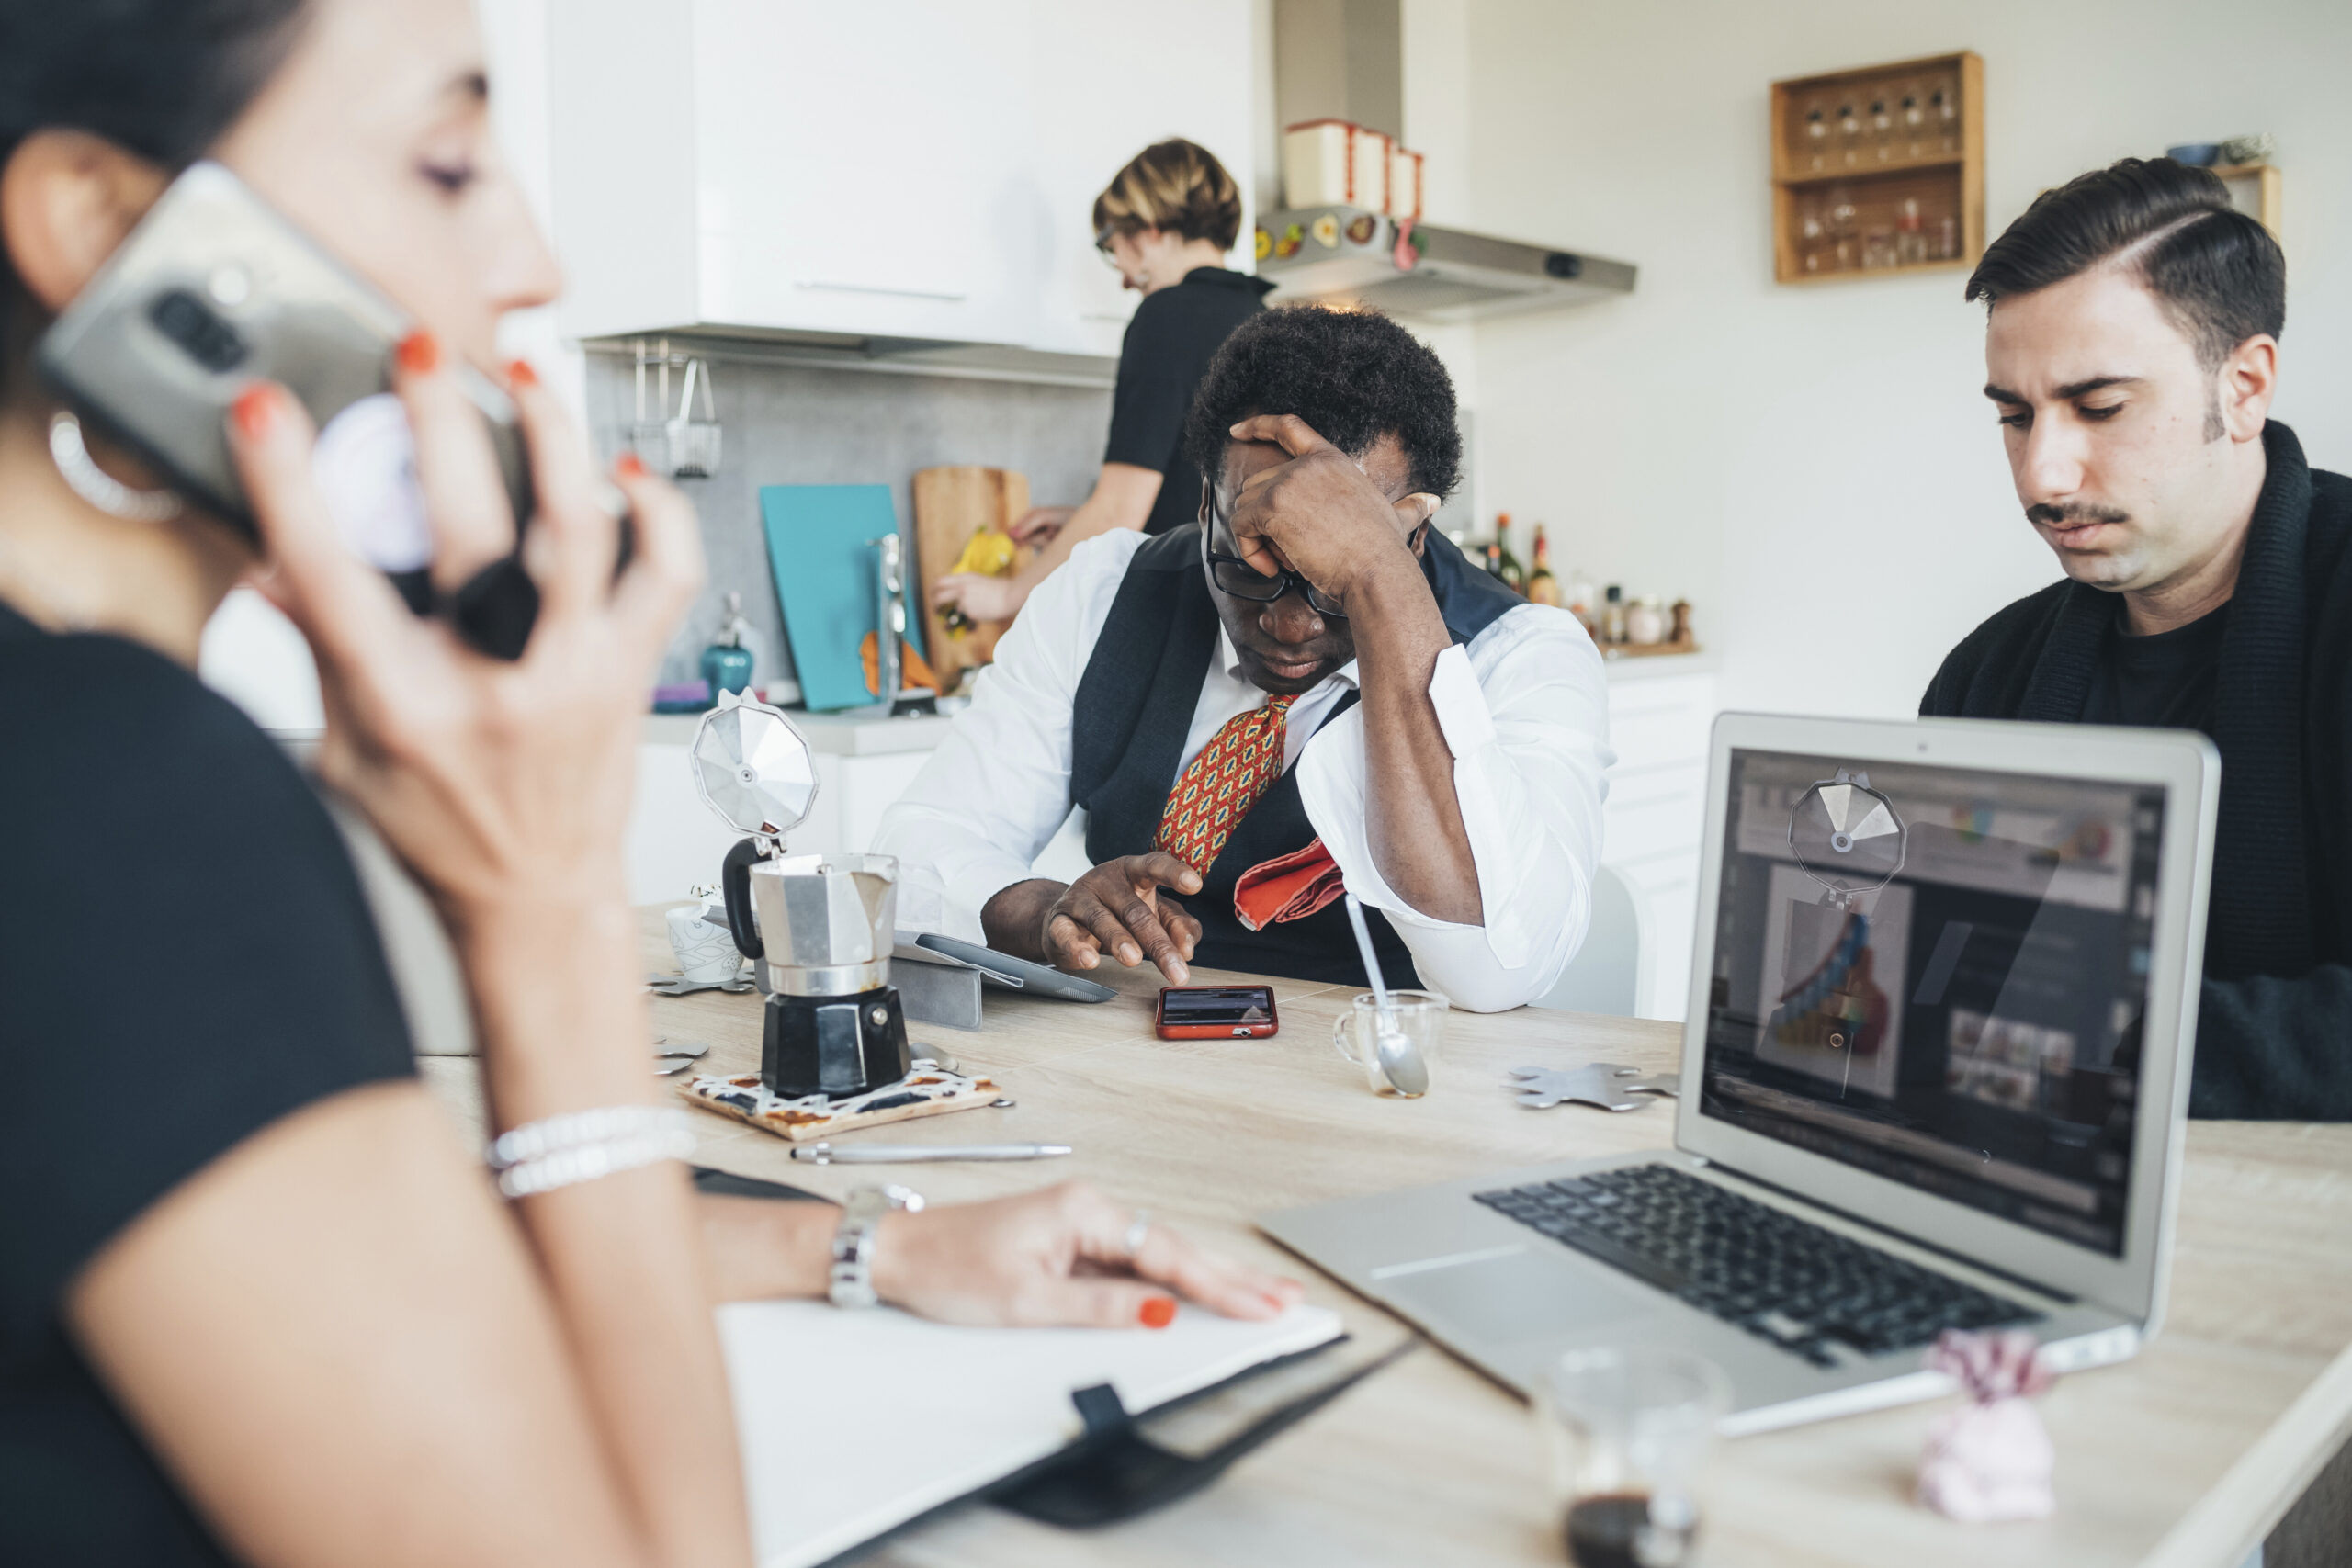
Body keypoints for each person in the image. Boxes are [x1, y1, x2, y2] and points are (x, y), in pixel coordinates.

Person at [0, 4, 1298, 1564]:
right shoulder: (115, 800)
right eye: (449, 158)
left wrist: (869, 1251)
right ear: (103, 225)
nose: (536, 259)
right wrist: (543, 903)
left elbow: (347, 1263)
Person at [878, 307, 1612, 1010]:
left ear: (1414, 538)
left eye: (1331, 583)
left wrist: (1379, 580)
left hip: (1390, 1088)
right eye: (1252, 562)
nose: (1289, 623)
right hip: (1139, 1073)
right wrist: (1043, 910)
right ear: (1205, 505)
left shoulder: (1521, 655)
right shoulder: (1104, 593)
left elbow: (1497, 971)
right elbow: (912, 849)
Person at [1920, 156, 2352, 1119]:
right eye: (2015, 416)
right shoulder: (1984, 676)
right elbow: (1933, 985)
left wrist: (2064, 1039)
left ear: (2243, 386)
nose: (2042, 476)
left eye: (2099, 407)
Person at [931, 138, 1270, 626]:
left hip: (1184, 622)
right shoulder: (1259, 317)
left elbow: (1119, 507)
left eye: (1113, 249)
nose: (1124, 280)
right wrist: (1080, 524)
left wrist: (1007, 596)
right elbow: (1204, 499)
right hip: (1248, 617)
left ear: (1148, 229)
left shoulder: (1166, 316)